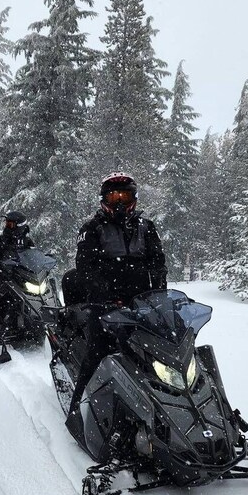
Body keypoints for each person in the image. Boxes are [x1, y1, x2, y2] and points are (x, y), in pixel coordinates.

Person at [62, 172, 167, 431]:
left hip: (142, 303)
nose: (119, 202)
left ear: (133, 198)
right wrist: (103, 294)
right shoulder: (92, 229)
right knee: (98, 350)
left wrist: (161, 294)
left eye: (125, 196)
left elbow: (158, 263)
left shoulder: (146, 228)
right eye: (114, 196)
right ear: (104, 199)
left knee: (163, 352)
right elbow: (85, 267)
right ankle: (77, 408)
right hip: (107, 304)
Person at [0, 211, 35, 335]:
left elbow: (34, 257)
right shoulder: (0, 240)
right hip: (5, 276)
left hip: (23, 276)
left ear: (19, 226)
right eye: (7, 223)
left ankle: (40, 320)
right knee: (5, 296)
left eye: (11, 224)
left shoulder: (28, 242)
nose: (7, 226)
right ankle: (0, 323)